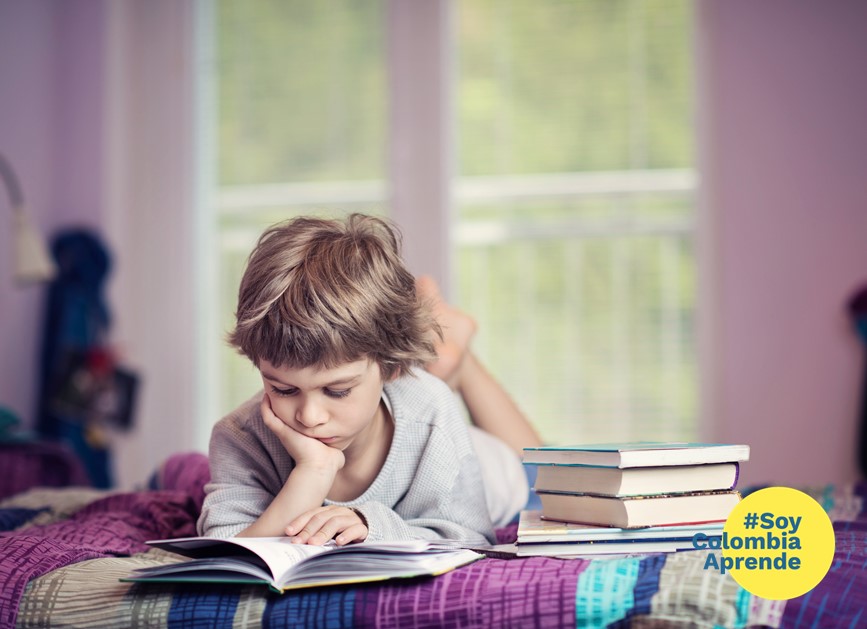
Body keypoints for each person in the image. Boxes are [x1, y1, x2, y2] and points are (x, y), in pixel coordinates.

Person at [199, 214, 500, 546]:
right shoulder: (239, 436)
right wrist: (312, 472)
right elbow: (228, 553)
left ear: (390, 367)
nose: (310, 417)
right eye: (283, 389)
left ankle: (455, 351)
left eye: (337, 390)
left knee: (529, 466)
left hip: (490, 466)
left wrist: (371, 525)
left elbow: (472, 536)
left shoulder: (431, 413)